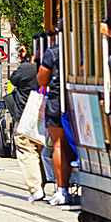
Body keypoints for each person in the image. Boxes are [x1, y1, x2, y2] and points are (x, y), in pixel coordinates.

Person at [38, 33, 73, 206]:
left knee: (58, 144)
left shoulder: (53, 52)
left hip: (57, 102)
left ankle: (61, 189)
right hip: (77, 100)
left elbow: (42, 79)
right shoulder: (81, 49)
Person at [9, 45, 45, 203]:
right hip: (46, 115)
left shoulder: (27, 69)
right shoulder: (56, 68)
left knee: (27, 152)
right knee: (43, 151)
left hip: (25, 117)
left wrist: (24, 60)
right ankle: (54, 185)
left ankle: (36, 188)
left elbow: (13, 79)